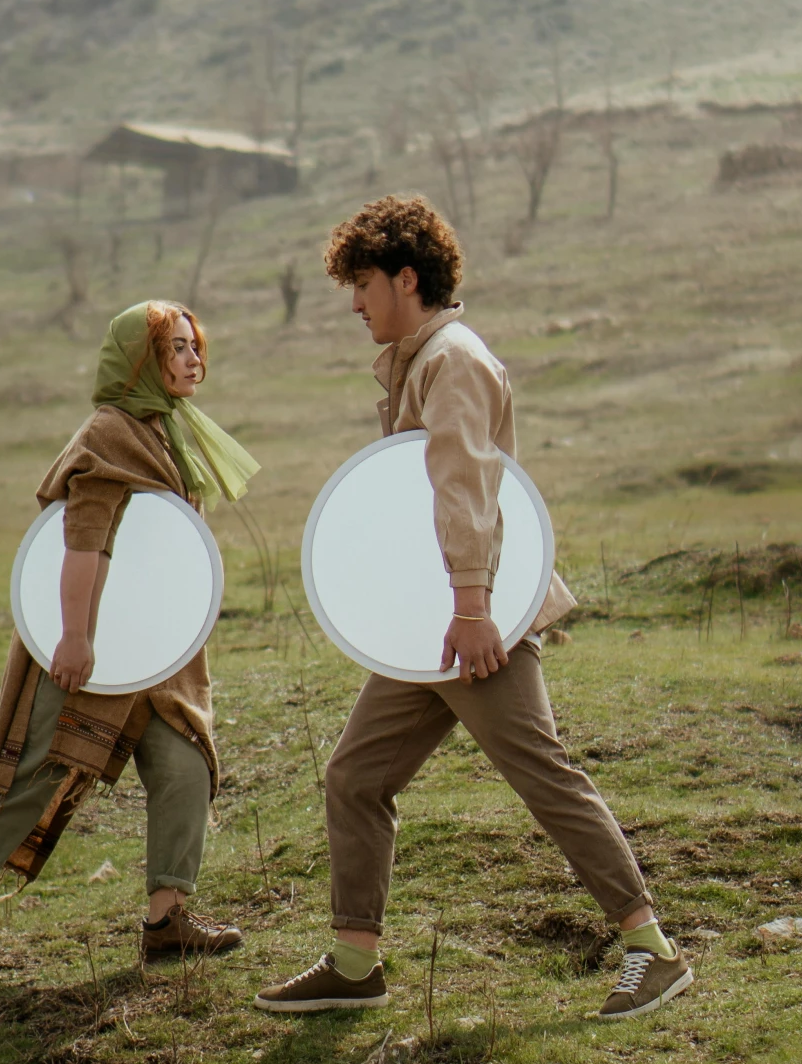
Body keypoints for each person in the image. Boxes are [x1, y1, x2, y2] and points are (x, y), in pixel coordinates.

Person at [254, 196, 691, 1021]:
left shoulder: (451, 360)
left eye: (362, 285)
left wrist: (473, 606)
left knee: (541, 774)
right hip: (434, 621)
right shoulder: (418, 360)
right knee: (355, 775)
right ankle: (354, 962)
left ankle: (652, 950)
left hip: (468, 618)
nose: (354, 304)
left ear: (405, 278)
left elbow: (465, 487)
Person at [0, 301, 258, 1004]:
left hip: (154, 650)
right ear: (139, 361)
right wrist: (74, 637)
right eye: (177, 349)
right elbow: (84, 540)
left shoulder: (169, 429)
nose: (194, 360)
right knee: (36, 776)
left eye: (196, 347)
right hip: (90, 646)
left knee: (185, 767)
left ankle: (166, 919)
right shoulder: (110, 435)